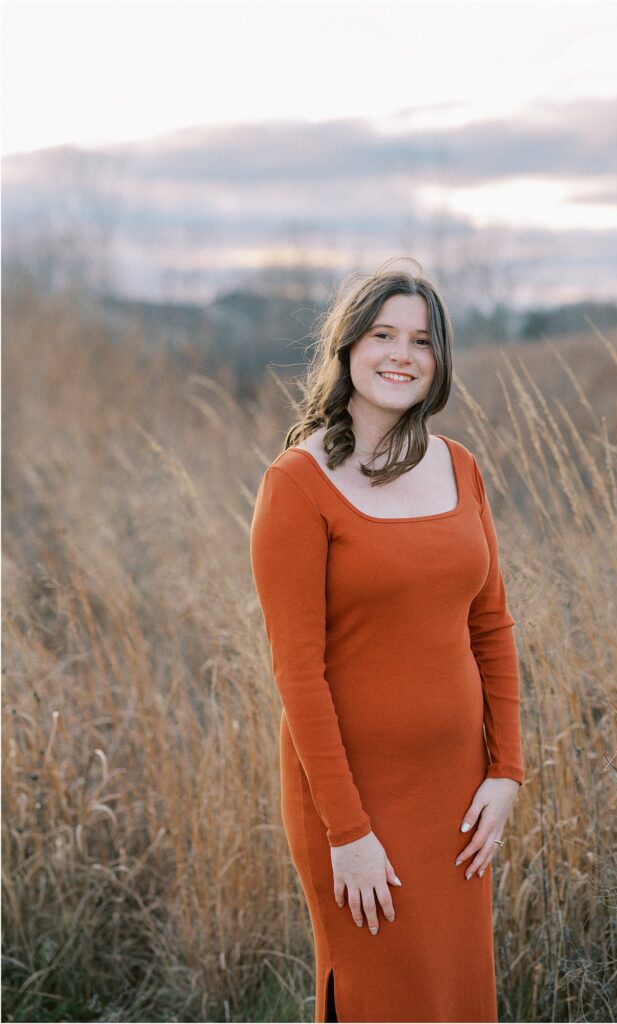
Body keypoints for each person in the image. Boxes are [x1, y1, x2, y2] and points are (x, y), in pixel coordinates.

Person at [250, 258, 525, 1023]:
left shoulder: (459, 467)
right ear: (347, 349)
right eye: (382, 335)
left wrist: (505, 771)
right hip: (355, 800)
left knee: (453, 997)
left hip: (457, 797)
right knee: (382, 997)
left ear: (439, 361)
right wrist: (350, 833)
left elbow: (491, 626)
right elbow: (297, 676)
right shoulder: (297, 485)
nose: (402, 354)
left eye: (421, 340)